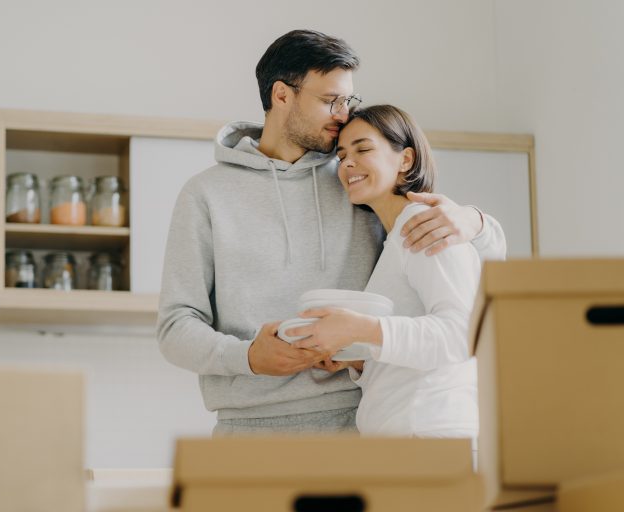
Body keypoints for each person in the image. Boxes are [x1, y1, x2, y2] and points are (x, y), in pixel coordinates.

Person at [156, 29, 505, 434]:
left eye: (347, 100)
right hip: (246, 431)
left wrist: (475, 220)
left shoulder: (357, 180)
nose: (342, 114)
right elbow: (175, 327)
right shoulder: (206, 194)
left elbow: (476, 258)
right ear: (282, 96)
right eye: (329, 100)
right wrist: (248, 356)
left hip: (357, 424)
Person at [289, 105, 481, 440]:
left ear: (405, 160)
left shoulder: (422, 226)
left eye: (363, 149)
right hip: (406, 438)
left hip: (431, 436)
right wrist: (359, 357)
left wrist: (360, 327)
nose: (347, 163)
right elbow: (414, 351)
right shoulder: (393, 240)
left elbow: (462, 334)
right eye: (342, 154)